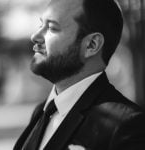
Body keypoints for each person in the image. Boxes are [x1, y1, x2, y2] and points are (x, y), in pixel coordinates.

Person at [14, 0, 145, 150]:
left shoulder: (127, 125)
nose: (35, 36)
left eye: (51, 28)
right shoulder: (41, 111)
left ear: (91, 45)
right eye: (41, 25)